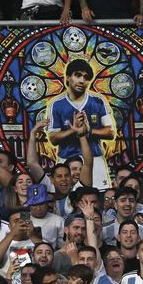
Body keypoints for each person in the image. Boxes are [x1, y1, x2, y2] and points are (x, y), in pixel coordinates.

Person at [46, 59, 115, 191]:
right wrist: (74, 130)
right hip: (66, 160)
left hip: (95, 160)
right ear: (68, 77)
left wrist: (89, 131)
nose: (82, 81)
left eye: (86, 77)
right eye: (78, 75)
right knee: (65, 198)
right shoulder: (56, 104)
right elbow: (53, 138)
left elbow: (110, 132)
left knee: (97, 196)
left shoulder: (98, 101)